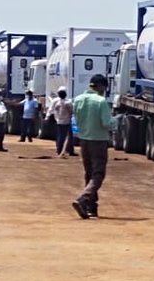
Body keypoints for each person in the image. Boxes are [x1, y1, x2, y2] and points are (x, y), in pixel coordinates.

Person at [71, 74, 116, 219]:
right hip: (99, 141)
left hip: (84, 140)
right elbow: (106, 123)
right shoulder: (100, 101)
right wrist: (116, 122)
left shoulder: (77, 100)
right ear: (101, 86)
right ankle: (83, 199)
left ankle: (91, 207)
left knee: (89, 173)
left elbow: (76, 121)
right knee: (98, 174)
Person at [49, 89, 74, 158]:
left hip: (59, 121)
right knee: (67, 136)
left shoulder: (57, 103)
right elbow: (71, 111)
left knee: (60, 136)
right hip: (66, 121)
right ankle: (67, 150)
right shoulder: (68, 103)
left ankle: (60, 150)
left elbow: (53, 110)